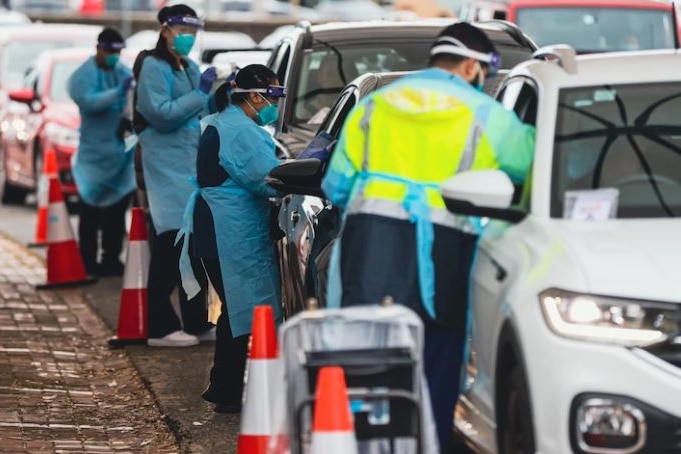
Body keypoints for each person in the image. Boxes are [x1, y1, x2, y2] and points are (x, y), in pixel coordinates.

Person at [321, 23, 535, 449]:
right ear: (472, 66)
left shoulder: (374, 106)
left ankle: (369, 441)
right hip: (444, 251)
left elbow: (336, 185)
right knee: (438, 358)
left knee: (368, 356)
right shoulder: (487, 114)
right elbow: (531, 174)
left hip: (370, 248)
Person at [175, 64, 284, 413]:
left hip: (219, 229)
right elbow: (267, 180)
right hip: (231, 232)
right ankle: (228, 390)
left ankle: (226, 387)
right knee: (243, 312)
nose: (276, 103)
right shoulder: (242, 131)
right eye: (275, 95)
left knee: (235, 312)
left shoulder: (224, 122)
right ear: (254, 96)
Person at [135, 4, 218, 347]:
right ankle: (159, 326)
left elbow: (201, 111)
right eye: (182, 32)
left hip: (188, 170)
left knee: (193, 249)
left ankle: (196, 321)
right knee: (170, 247)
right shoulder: (153, 67)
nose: (188, 38)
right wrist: (199, 94)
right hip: (166, 169)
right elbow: (161, 114)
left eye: (192, 33)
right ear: (165, 30)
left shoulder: (189, 66)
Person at [68, 27, 135, 277]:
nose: (114, 56)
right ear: (99, 48)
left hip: (119, 157)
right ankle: (86, 258)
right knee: (90, 213)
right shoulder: (81, 76)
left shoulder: (123, 73)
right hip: (93, 157)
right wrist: (117, 93)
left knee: (116, 214)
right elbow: (88, 101)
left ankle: (111, 258)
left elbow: (132, 105)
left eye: (118, 52)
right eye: (110, 51)